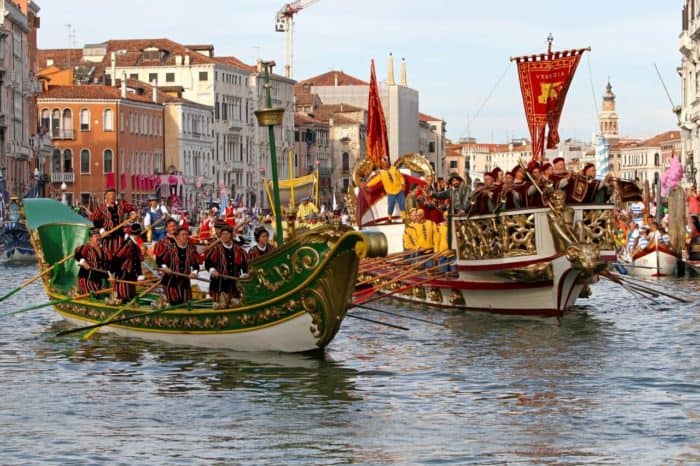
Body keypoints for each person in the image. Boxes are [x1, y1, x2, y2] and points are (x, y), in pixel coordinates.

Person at [204, 224, 247, 308]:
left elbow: (244, 264)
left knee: (235, 304)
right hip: (219, 283)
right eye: (223, 234)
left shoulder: (238, 249)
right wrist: (213, 270)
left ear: (231, 235)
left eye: (227, 234)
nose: (225, 236)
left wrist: (244, 274)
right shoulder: (216, 249)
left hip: (234, 283)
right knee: (221, 305)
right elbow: (208, 262)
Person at [156, 227, 201, 305]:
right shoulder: (170, 248)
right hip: (170, 281)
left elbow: (196, 265)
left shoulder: (191, 250)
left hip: (185, 282)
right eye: (183, 234)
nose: (185, 237)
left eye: (187, 235)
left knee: (186, 303)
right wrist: (165, 268)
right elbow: (159, 260)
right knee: (175, 302)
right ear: (177, 237)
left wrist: (194, 273)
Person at [90, 187, 136, 260]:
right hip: (107, 237)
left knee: (120, 256)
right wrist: (102, 231)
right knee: (108, 257)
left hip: (119, 236)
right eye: (110, 194)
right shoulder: (101, 208)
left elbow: (131, 209)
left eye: (114, 194)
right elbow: (96, 221)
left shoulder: (121, 205)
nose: (112, 196)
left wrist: (132, 214)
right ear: (106, 196)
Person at [109, 223, 146, 303]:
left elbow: (137, 262)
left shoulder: (134, 245)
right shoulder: (128, 244)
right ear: (139, 234)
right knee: (123, 298)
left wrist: (139, 276)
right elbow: (116, 258)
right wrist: (111, 274)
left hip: (131, 277)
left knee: (130, 297)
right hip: (123, 277)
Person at [364, 157, 406, 223]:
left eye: (386, 163)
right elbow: (375, 180)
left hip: (399, 190)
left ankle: (404, 218)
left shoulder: (394, 169)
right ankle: (389, 219)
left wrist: (403, 184)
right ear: (382, 165)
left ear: (388, 163)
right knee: (390, 206)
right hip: (391, 192)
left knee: (402, 204)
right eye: (384, 163)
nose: (385, 165)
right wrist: (367, 185)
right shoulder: (381, 173)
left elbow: (401, 177)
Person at [74, 227, 109, 294]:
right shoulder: (87, 247)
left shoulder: (103, 250)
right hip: (87, 279)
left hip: (97, 280)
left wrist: (109, 275)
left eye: (99, 236)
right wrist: (83, 262)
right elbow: (77, 254)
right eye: (96, 236)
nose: (98, 238)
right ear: (90, 238)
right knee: (92, 295)